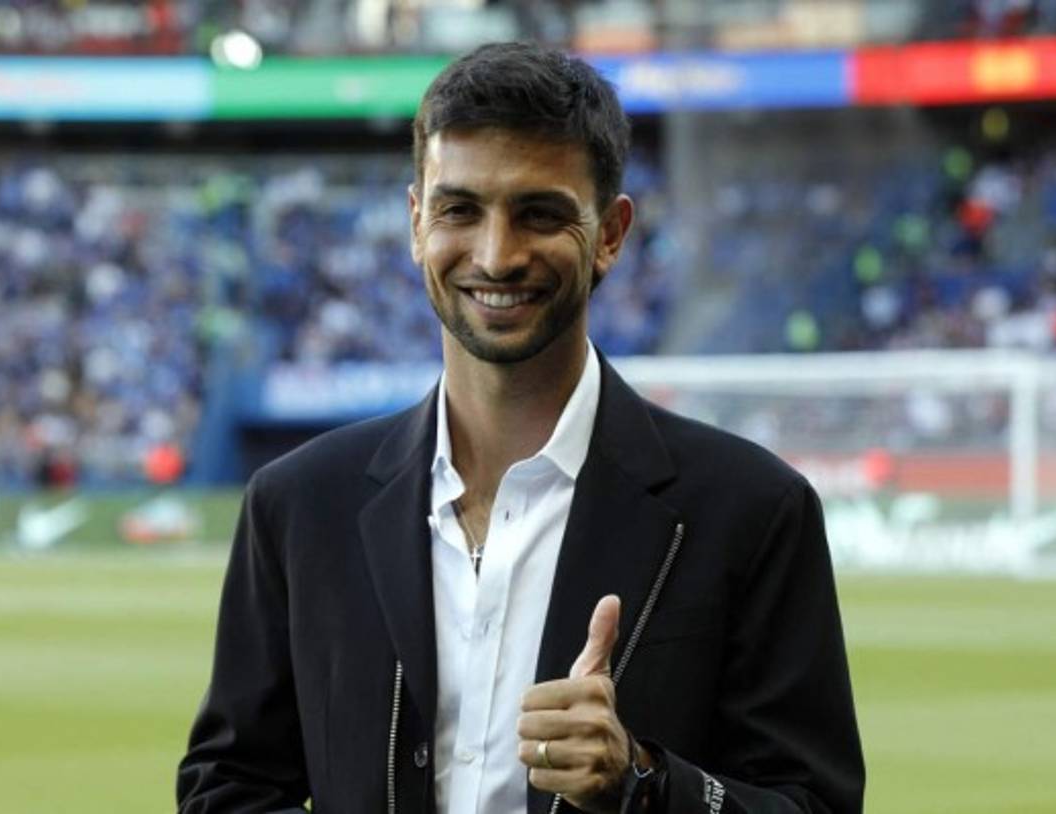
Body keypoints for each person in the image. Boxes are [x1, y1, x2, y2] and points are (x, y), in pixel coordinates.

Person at [177, 42, 864, 813]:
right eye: (459, 209)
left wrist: (644, 780)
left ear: (609, 233)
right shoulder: (298, 506)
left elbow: (816, 804)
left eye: (539, 214)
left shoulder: (751, 511)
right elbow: (226, 789)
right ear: (415, 223)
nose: (496, 256)